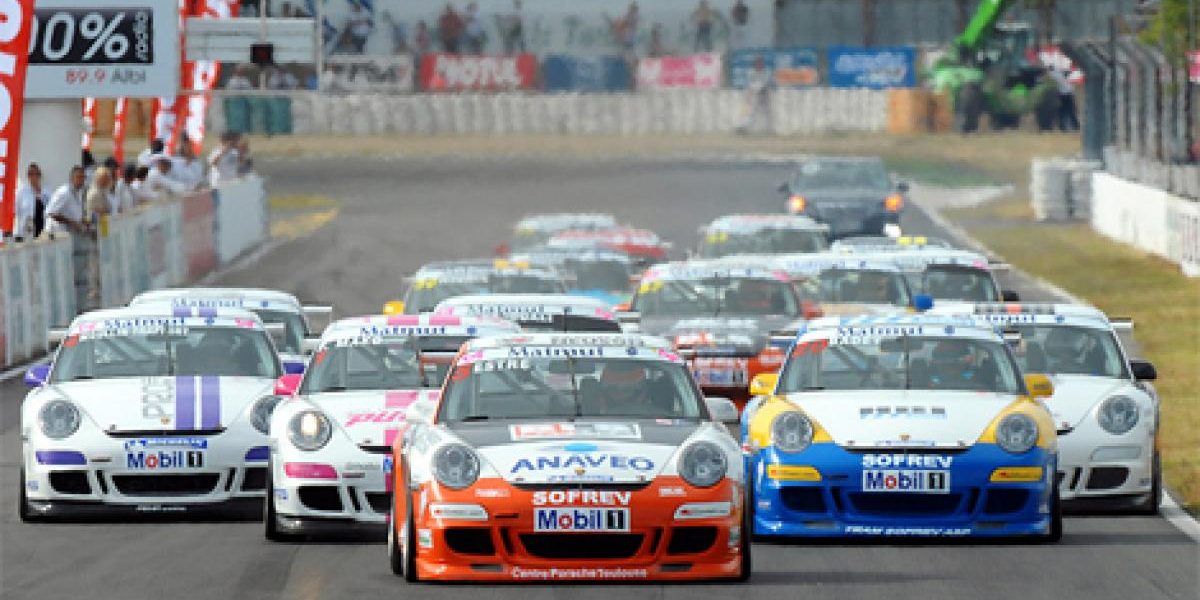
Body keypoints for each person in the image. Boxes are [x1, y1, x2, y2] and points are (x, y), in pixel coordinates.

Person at [45, 166, 89, 237]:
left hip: (70, 234)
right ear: (71, 178)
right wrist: (71, 222)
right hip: (57, 233)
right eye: (79, 177)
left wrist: (83, 221)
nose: (82, 180)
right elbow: (51, 213)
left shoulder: (79, 191)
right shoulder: (64, 192)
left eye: (83, 177)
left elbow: (74, 212)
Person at [12, 163, 47, 241]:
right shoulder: (21, 192)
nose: (34, 176)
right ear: (28, 176)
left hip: (42, 233)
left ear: (40, 175)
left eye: (37, 174)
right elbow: (14, 211)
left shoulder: (46, 192)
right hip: (23, 233)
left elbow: (50, 211)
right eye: (30, 174)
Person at [741, 55, 774, 134]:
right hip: (754, 93)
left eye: (760, 62)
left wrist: (761, 88)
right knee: (750, 111)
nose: (759, 64)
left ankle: (769, 129)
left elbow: (766, 82)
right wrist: (750, 94)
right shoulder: (751, 72)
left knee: (767, 112)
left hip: (764, 93)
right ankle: (746, 127)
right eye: (757, 63)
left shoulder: (766, 72)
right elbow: (750, 84)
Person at [1051, 67, 1079, 132]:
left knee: (1065, 112)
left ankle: (1071, 126)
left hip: (1064, 94)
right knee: (1067, 112)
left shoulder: (1054, 73)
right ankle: (1070, 127)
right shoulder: (1057, 72)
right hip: (1064, 94)